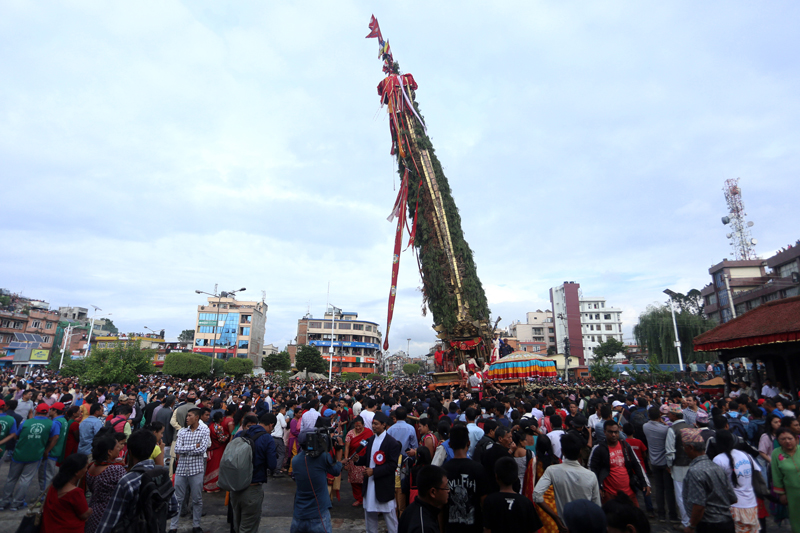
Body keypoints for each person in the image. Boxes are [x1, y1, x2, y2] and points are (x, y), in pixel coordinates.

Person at [95, 429, 178, 533]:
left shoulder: (127, 481)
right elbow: (173, 508)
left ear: (130, 452)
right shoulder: (161, 475)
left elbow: (110, 519)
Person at [533, 431, 601, 529]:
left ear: (562, 451)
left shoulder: (552, 470)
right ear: (580, 451)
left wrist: (556, 518)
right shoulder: (591, 476)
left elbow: (536, 495)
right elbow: (597, 507)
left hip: (564, 527)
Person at [0, 402, 59, 511]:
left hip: (19, 454)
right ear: (47, 413)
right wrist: (46, 450)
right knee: (25, 479)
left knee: (11, 478)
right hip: (35, 455)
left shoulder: (26, 422)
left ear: (36, 411)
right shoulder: (52, 424)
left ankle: (4, 502)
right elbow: (55, 437)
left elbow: (16, 436)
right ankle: (16, 503)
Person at [290, 420, 345, 533]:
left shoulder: (295, 460)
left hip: (299, 514)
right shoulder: (323, 457)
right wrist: (339, 450)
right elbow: (336, 470)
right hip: (318, 514)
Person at [680, 428, 738, 533]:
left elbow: (699, 505)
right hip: (727, 523)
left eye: (684, 447)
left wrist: (691, 526)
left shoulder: (695, 471)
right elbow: (733, 498)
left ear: (691, 448)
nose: (684, 450)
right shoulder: (716, 467)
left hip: (709, 525)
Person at [230, 413, 277, 533]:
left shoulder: (241, 434)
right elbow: (272, 465)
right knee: (248, 527)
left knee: (237, 525)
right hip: (252, 488)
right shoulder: (267, 438)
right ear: (271, 425)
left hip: (235, 487)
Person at [356, 411, 401, 533]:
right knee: (369, 515)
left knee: (390, 516)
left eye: (376, 424)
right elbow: (368, 459)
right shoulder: (370, 440)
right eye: (373, 424)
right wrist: (358, 460)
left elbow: (392, 465)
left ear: (384, 425)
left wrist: (374, 471)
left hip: (384, 484)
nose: (373, 426)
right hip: (370, 484)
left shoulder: (392, 443)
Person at [588, 420, 650, 505]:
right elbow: (592, 468)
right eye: (610, 432)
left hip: (629, 492)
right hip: (609, 494)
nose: (613, 435)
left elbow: (636, 464)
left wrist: (645, 482)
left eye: (616, 432)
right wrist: (598, 487)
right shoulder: (598, 448)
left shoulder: (625, 446)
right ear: (605, 432)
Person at [169, 407, 210, 533]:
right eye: (187, 416)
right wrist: (194, 446)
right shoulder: (182, 431)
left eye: (189, 416)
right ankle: (173, 527)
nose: (187, 418)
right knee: (178, 499)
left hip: (196, 470)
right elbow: (177, 449)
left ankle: (196, 525)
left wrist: (186, 449)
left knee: (197, 499)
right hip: (181, 469)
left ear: (196, 417)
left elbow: (202, 449)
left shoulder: (204, 430)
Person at [711, 430, 759, 533]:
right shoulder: (746, 455)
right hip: (751, 505)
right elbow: (757, 473)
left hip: (733, 507)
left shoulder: (718, 460)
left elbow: (716, 485)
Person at [442, 425, 487, 533]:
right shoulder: (478, 469)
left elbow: (440, 506)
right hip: (474, 528)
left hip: (450, 528)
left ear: (450, 444)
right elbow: (484, 502)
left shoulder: (443, 470)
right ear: (469, 443)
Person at [482, 456, 542, 533]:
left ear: (496, 477)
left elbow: (487, 529)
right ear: (516, 478)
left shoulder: (490, 501)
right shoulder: (526, 502)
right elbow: (534, 529)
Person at [642, 405, 677, 524]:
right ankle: (672, 515)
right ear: (660, 415)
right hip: (666, 463)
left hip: (654, 462)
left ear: (649, 416)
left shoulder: (645, 426)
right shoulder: (666, 429)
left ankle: (661, 514)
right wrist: (664, 423)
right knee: (669, 490)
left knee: (659, 489)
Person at [84, 436, 127, 533]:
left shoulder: (92, 466)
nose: (120, 449)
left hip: (93, 510)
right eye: (117, 447)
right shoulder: (114, 470)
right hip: (108, 513)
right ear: (109, 452)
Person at [40, 453, 91, 533]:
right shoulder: (75, 492)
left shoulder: (53, 485)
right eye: (85, 468)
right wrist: (90, 510)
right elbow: (84, 514)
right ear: (77, 472)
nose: (86, 470)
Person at [398, 465, 449, 533]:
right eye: (445, 487)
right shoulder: (423, 527)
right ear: (433, 492)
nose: (448, 490)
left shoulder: (410, 510)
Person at [771, 427, 800, 533]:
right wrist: (781, 494)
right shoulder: (776, 453)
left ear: (796, 439)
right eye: (783, 439)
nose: (787, 441)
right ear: (778, 441)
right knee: (796, 517)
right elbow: (776, 475)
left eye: (790, 438)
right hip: (792, 492)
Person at [344, 416, 373, 506]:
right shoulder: (350, 433)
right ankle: (359, 498)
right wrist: (346, 460)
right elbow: (347, 447)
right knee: (354, 482)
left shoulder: (368, 432)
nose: (358, 428)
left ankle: (366, 498)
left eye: (359, 426)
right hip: (353, 460)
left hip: (364, 460)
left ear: (363, 425)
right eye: (356, 426)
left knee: (365, 480)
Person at [203, 411, 229, 492]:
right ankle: (213, 486)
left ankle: (206, 484)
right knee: (216, 466)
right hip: (218, 449)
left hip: (211, 449)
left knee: (210, 467)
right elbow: (222, 439)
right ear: (220, 418)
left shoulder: (210, 425)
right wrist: (228, 435)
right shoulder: (218, 427)